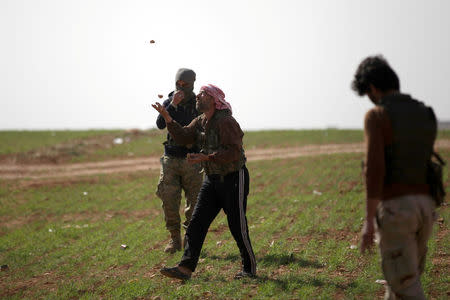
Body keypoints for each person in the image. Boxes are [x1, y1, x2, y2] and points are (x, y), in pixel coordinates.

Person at [352, 55, 437, 300]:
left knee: (405, 286)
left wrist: (369, 221)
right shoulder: (424, 112)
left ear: (373, 88)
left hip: (397, 210)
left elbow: (374, 170)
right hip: (426, 207)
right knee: (402, 284)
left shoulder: (377, 116)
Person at [152, 84, 257, 280]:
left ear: (213, 99)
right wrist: (167, 117)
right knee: (196, 223)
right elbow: (183, 137)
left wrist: (206, 157)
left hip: (234, 178)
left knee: (237, 225)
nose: (198, 97)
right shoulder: (200, 121)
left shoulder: (226, 122)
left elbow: (234, 152)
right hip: (212, 180)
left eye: (202, 94)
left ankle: (249, 268)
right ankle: (185, 268)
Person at [155, 68, 203, 253]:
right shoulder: (170, 101)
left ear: (193, 84)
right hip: (171, 159)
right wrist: (172, 105)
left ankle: (190, 240)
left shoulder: (199, 104)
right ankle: (175, 239)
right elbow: (160, 124)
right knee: (169, 200)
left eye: (186, 85)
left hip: (193, 160)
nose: (181, 87)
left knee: (194, 203)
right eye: (178, 84)